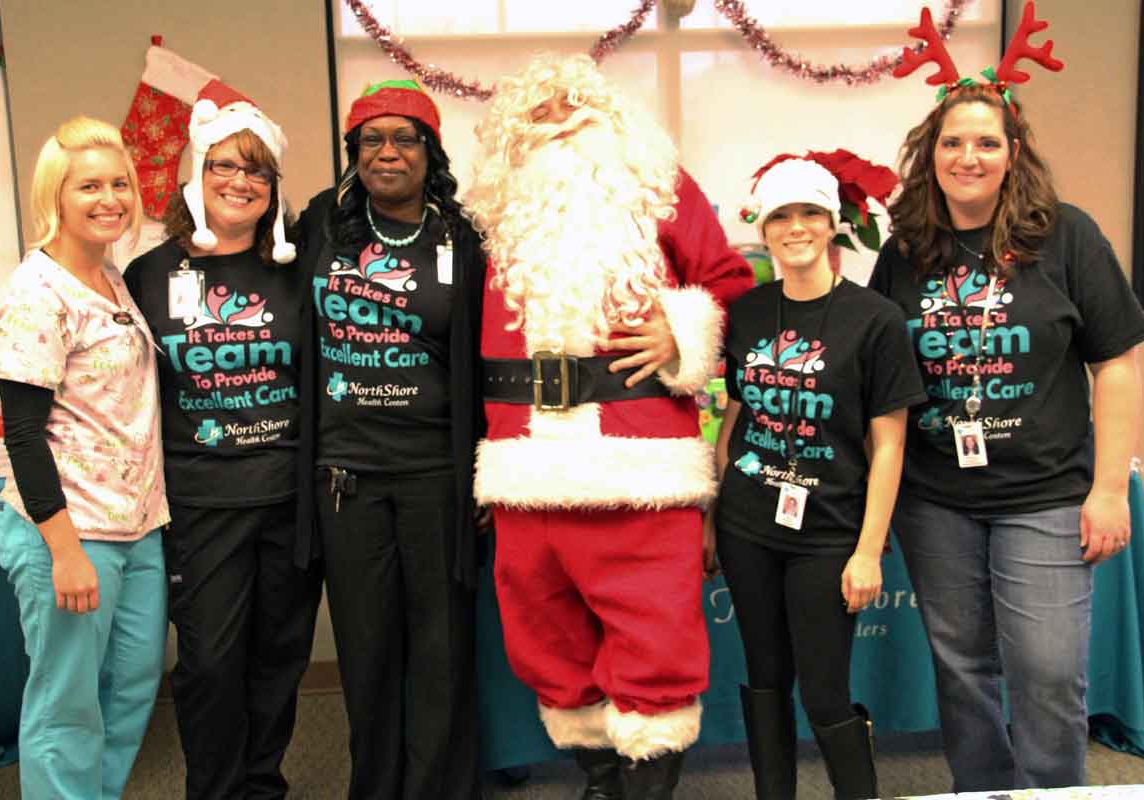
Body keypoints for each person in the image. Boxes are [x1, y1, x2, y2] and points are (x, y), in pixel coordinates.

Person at [870, 4, 1144, 790]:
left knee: (1050, 672)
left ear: (1012, 151)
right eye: (952, 142)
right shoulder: (903, 252)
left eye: (986, 142)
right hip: (936, 498)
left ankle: (1054, 793)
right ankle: (983, 791)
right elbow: (880, 378)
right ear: (930, 155)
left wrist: (1107, 490)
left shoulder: (1067, 235)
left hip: (1047, 493)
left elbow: (1119, 365)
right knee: (962, 670)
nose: (969, 157)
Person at [463, 54, 753, 799]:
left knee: (654, 633)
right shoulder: (490, 216)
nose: (561, 124)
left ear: (615, 123)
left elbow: (729, 285)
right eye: (541, 113)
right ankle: (601, 776)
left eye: (578, 109)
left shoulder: (662, 191)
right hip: (524, 468)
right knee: (545, 637)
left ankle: (647, 785)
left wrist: (681, 328)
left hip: (642, 457)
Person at [124, 80, 321, 799]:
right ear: (195, 174)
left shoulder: (299, 269)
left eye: (257, 169)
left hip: (290, 500)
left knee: (279, 657)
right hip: (201, 501)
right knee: (210, 664)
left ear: (274, 185)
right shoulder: (148, 275)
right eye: (224, 166)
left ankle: (263, 786)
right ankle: (214, 790)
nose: (240, 181)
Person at [708, 155, 925, 800]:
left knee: (825, 690)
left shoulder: (875, 319)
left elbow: (889, 445)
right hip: (749, 523)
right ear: (763, 228)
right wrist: (713, 513)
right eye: (781, 215)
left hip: (829, 532)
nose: (795, 227)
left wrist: (867, 551)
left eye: (810, 214)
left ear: (834, 225)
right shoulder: (746, 313)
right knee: (765, 676)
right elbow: (737, 414)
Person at [294, 79, 486, 799]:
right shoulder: (321, 223)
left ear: (430, 151)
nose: (387, 152)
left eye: (405, 138)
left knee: (440, 651)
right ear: (353, 152)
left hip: (436, 473)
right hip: (346, 476)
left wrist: (486, 468)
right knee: (368, 654)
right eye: (371, 139)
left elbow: (488, 349)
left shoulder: (461, 237)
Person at [0, 116, 169, 799]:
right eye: (88, 185)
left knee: (127, 695)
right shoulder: (39, 292)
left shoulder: (111, 279)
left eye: (120, 183)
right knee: (67, 706)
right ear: (55, 197)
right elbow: (24, 436)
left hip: (138, 527)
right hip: (68, 532)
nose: (109, 199)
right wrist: (64, 550)